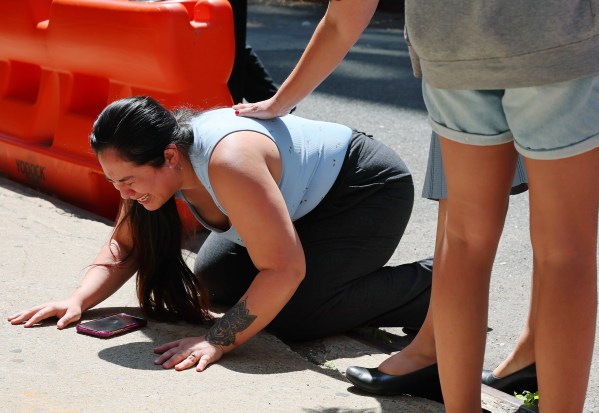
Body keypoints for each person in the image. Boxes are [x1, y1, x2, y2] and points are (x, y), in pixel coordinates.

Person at [232, 1, 599, 411]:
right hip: (562, 40)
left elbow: (346, 14)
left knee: (465, 240)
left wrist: (282, 100)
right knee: (565, 251)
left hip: (450, 44)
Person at [8, 95, 434, 371]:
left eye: (129, 180)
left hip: (361, 189)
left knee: (296, 316)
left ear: (170, 156)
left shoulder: (227, 163)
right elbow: (125, 242)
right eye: (114, 181)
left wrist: (219, 340)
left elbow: (283, 269)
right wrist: (78, 300)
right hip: (297, 199)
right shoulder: (158, 164)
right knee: (215, 282)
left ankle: (437, 285)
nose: (123, 192)